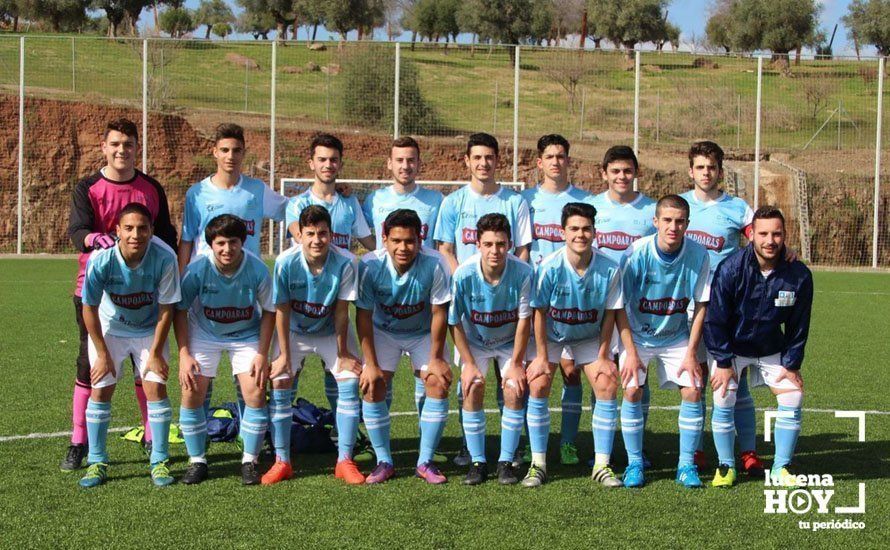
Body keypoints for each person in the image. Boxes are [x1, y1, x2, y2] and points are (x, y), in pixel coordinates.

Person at [65, 118, 178, 471]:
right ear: (104, 147)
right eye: (115, 144)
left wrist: (170, 268)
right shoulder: (89, 187)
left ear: (136, 148)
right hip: (97, 292)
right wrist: (92, 240)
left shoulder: (150, 187)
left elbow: (165, 234)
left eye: (127, 144)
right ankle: (79, 442)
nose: (121, 151)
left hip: (145, 291)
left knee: (147, 370)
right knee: (91, 368)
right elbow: (77, 229)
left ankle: (150, 437)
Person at [434, 132, 532, 465]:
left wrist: (497, 282)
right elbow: (445, 249)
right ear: (467, 161)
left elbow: (522, 250)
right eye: (477, 157)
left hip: (505, 300)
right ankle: (468, 446)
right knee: (470, 383)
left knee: (513, 385)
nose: (483, 163)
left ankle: (512, 448)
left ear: (497, 160)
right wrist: (468, 280)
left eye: (489, 157)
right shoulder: (453, 202)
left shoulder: (514, 202)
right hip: (468, 303)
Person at [705, 206, 812, 488]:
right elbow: (716, 319)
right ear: (751, 234)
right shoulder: (731, 268)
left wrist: (791, 364)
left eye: (776, 234)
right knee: (723, 396)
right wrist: (724, 363)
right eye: (763, 233)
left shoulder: (798, 274)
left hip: (770, 348)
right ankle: (726, 466)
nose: (770, 240)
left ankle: (781, 468)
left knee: (793, 396)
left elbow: (799, 326)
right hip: (733, 349)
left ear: (785, 235)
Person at [77, 203, 180, 488]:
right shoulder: (101, 260)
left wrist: (157, 352)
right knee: (101, 388)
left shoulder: (165, 258)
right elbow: (89, 307)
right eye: (129, 228)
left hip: (149, 329)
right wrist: (101, 354)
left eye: (143, 228)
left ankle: (159, 460)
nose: (136, 234)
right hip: (111, 328)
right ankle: (97, 461)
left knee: (155, 386)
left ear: (151, 231)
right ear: (117, 231)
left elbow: (166, 309)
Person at [525, 203, 624, 488]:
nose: (580, 234)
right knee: (539, 383)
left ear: (595, 232)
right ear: (562, 232)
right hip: (553, 336)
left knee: (606, 383)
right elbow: (539, 313)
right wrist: (542, 357)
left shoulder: (609, 268)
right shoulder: (549, 267)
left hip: (589, 337)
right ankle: (538, 464)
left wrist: (604, 355)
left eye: (586, 229)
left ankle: (602, 464)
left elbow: (610, 314)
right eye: (574, 229)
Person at [174, 215, 275, 486]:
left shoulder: (257, 269)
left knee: (255, 388)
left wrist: (262, 354)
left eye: (233, 242)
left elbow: (269, 311)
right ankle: (197, 460)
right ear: (210, 245)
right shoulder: (197, 269)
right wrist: (184, 354)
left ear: (243, 243)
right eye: (220, 243)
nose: (227, 249)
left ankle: (249, 461)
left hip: (246, 334)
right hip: (205, 333)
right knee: (192, 388)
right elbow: (180, 310)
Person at [679, 140, 761, 475]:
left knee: (735, 383)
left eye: (711, 167)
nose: (706, 173)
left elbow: (764, 236)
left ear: (720, 171)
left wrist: (786, 253)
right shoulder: (679, 206)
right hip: (686, 307)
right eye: (700, 167)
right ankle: (696, 452)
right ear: (691, 171)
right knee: (695, 382)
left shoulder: (738, 207)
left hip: (729, 308)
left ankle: (748, 452)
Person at [618, 195, 710, 489]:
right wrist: (630, 352)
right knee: (632, 390)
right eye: (667, 220)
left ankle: (685, 465)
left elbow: (701, 306)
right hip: (638, 336)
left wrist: (691, 353)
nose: (673, 227)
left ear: (687, 224)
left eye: (680, 221)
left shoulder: (698, 254)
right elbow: (619, 305)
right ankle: (634, 462)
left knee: (694, 390)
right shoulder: (636, 253)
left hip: (676, 336)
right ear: (655, 222)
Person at [268, 205, 364, 485]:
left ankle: (344, 460)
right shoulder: (285, 262)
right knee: (281, 381)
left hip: (328, 332)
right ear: (299, 235)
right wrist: (284, 355)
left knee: (348, 380)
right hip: (295, 332)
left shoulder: (345, 262)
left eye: (322, 233)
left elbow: (342, 311)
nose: (316, 240)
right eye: (310, 233)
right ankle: (282, 460)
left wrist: (343, 352)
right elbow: (282, 311)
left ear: (331, 234)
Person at [356, 209, 452, 484]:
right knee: (373, 384)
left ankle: (425, 461)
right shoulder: (370, 265)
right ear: (384, 239)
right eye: (396, 240)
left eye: (409, 241)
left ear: (420, 241)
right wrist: (370, 364)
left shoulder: (435, 264)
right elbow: (362, 315)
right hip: (384, 331)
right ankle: (384, 460)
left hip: (422, 332)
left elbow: (438, 313)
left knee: (436, 380)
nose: (403, 247)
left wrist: (435, 358)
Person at [285, 133, 375, 419]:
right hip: (301, 303)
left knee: (341, 369)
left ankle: (343, 432)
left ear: (340, 163)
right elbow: (302, 239)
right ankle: (278, 436)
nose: (328, 164)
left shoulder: (349, 204)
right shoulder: (297, 204)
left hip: (338, 299)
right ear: (311, 162)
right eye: (322, 159)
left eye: (333, 159)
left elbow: (369, 242)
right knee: (287, 372)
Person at [520, 134, 596, 466]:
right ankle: (528, 444)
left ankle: (568, 442)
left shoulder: (585, 200)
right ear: (539, 162)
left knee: (572, 371)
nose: (556, 162)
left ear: (569, 161)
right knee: (533, 373)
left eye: (561, 156)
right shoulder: (524, 200)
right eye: (549, 156)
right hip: (538, 298)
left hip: (576, 301)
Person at [362, 137, 445, 430]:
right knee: (381, 380)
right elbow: (367, 239)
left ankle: (427, 443)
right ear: (389, 163)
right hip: (389, 302)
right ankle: (378, 447)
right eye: (399, 160)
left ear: (419, 164)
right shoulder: (373, 200)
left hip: (423, 295)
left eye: (411, 160)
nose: (405, 166)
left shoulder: (436, 201)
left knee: (427, 378)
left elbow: (440, 244)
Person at [449, 213, 533, 485]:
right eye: (488, 244)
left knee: (514, 388)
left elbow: (524, 321)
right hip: (474, 343)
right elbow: (454, 322)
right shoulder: (463, 274)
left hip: (510, 343)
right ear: (477, 244)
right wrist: (469, 362)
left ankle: (506, 462)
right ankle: (477, 462)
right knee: (472, 386)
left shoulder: (523, 272)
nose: (494, 250)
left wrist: (518, 363)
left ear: (509, 244)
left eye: (500, 244)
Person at [589, 145, 658, 467]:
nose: (621, 177)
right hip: (600, 307)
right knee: (601, 372)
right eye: (615, 171)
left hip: (638, 306)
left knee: (635, 376)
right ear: (604, 173)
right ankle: (600, 445)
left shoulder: (651, 211)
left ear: (636, 173)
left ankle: (637, 446)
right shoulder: (591, 209)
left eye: (627, 171)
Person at [178, 122, 288, 271]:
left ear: (243, 153)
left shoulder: (258, 189)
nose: (230, 156)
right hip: (205, 279)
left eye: (236, 150)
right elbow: (187, 241)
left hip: (246, 279)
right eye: (225, 150)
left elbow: (292, 211)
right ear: (215, 152)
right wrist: (181, 279)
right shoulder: (197, 193)